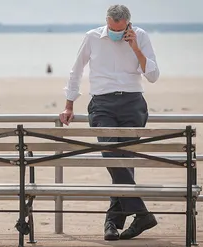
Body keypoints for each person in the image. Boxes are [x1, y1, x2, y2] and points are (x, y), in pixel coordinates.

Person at [59, 4, 160, 241]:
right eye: (113, 28)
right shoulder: (92, 37)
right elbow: (76, 70)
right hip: (102, 103)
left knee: (124, 161)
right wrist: (69, 104)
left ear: (128, 24)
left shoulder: (141, 36)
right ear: (107, 21)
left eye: (121, 29)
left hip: (133, 101)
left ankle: (112, 224)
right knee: (111, 154)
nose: (116, 33)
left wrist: (135, 48)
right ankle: (141, 214)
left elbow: (153, 76)